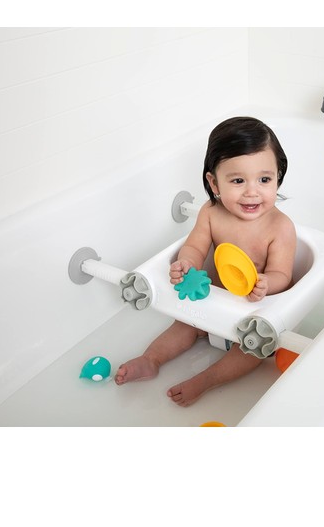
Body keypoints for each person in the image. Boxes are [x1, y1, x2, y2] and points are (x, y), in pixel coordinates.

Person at [114, 117, 296, 406]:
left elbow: (282, 275)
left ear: (278, 176)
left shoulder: (280, 227)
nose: (252, 191)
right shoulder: (211, 213)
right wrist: (186, 263)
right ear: (214, 182)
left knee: (252, 352)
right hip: (210, 305)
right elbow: (195, 247)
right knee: (182, 326)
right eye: (238, 180)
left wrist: (266, 283)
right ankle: (151, 359)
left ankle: (206, 380)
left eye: (264, 180)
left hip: (249, 318)